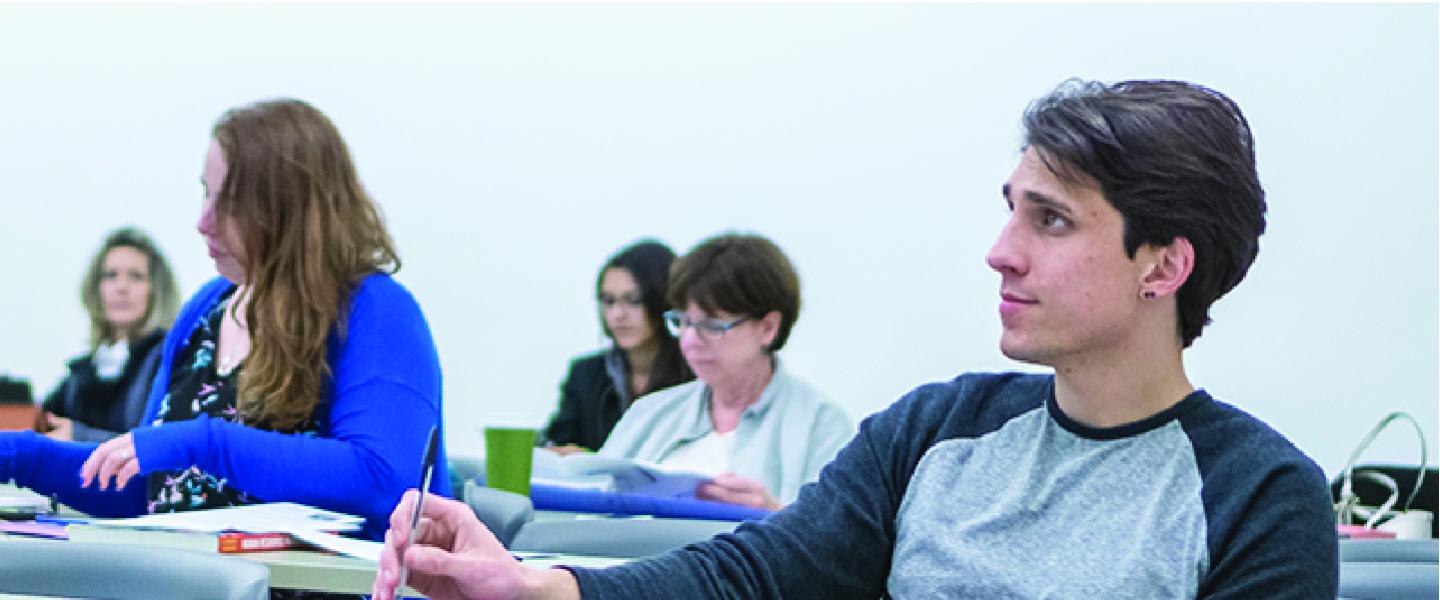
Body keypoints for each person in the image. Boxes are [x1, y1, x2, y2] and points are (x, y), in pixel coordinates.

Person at [372, 79, 1338, 600]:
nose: (998, 253)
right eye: (1009, 212)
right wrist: (535, 587)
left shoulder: (1257, 496)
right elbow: (751, 575)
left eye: (1049, 221)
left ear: (1161, 266)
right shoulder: (936, 429)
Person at [0, 98, 449, 541]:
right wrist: (19, 455)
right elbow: (150, 490)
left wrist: (206, 443)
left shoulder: (376, 310)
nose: (203, 221)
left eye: (231, 203)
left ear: (290, 210)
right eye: (206, 193)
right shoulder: (207, 309)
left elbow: (384, 482)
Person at [597, 233, 852, 510]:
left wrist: (775, 519)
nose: (690, 341)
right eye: (683, 322)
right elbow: (588, 514)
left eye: (712, 325)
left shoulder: (821, 426)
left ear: (768, 328)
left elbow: (842, 543)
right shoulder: (649, 413)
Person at [539, 240, 693, 454]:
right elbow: (557, 444)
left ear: (663, 301)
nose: (617, 314)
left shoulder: (695, 372)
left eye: (633, 300)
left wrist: (595, 461)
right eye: (608, 301)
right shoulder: (585, 374)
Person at [34, 227, 180, 442]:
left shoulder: (171, 361)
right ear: (96, 287)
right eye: (111, 276)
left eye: (136, 277)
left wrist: (80, 437)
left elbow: (162, 446)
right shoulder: (82, 372)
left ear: (157, 290)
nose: (121, 287)